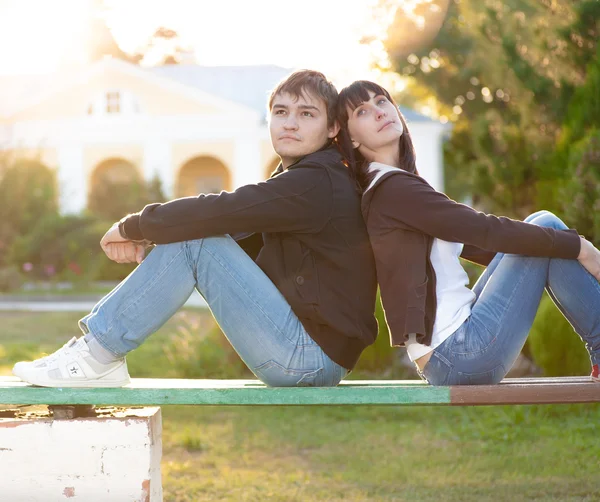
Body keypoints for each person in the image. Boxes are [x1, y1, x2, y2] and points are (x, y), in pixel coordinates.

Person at [12, 70, 378, 388]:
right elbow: (239, 242)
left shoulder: (316, 181)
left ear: (332, 128)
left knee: (197, 240)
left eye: (306, 113)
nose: (290, 123)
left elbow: (222, 210)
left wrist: (135, 226)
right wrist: (160, 251)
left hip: (306, 356)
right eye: (280, 111)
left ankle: (97, 355)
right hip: (310, 352)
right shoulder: (309, 178)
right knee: (195, 239)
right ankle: (99, 353)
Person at [336, 79, 600, 385]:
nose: (379, 111)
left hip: (454, 352)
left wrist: (541, 266)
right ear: (351, 139)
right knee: (547, 228)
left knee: (543, 225)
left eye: (381, 101)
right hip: (460, 353)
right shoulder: (392, 189)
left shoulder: (394, 185)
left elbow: (476, 244)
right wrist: (581, 248)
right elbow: (482, 229)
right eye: (362, 112)